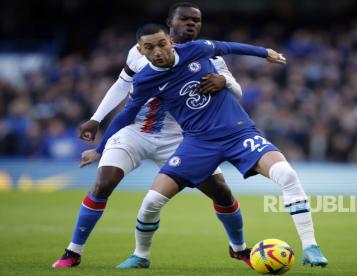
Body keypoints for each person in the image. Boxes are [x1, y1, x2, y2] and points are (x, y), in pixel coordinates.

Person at [102, 23, 329, 269]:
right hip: (197, 143)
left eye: (162, 44)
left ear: (170, 41)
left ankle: (311, 248)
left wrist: (265, 53)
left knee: (286, 174)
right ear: (140, 50)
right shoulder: (145, 79)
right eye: (149, 47)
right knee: (151, 202)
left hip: (238, 132)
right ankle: (141, 256)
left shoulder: (196, 50)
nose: (158, 51)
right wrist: (99, 147)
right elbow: (126, 115)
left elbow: (229, 46)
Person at [52, 2, 251, 269]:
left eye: (196, 20)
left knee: (222, 194)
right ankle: (73, 252)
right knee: (103, 182)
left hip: (183, 138)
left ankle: (238, 249)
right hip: (137, 131)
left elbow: (237, 91)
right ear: (171, 23)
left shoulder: (211, 56)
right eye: (185, 19)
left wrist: (224, 82)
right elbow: (122, 85)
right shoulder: (139, 51)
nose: (191, 24)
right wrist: (96, 119)